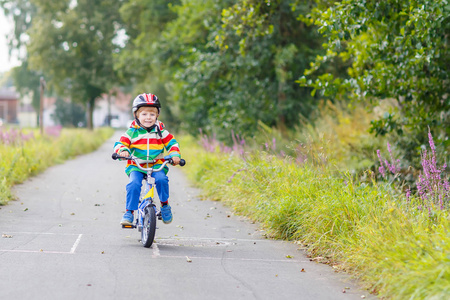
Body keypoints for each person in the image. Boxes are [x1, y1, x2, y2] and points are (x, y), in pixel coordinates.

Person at [113, 93, 181, 225]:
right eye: (144, 114)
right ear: (136, 115)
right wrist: (123, 151)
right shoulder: (132, 132)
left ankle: (165, 205)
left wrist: (175, 155)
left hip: (157, 165)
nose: (148, 118)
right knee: (134, 184)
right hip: (137, 165)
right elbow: (120, 144)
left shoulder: (161, 131)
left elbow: (172, 143)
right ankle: (129, 212)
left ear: (157, 116)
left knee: (162, 180)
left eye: (152, 114)